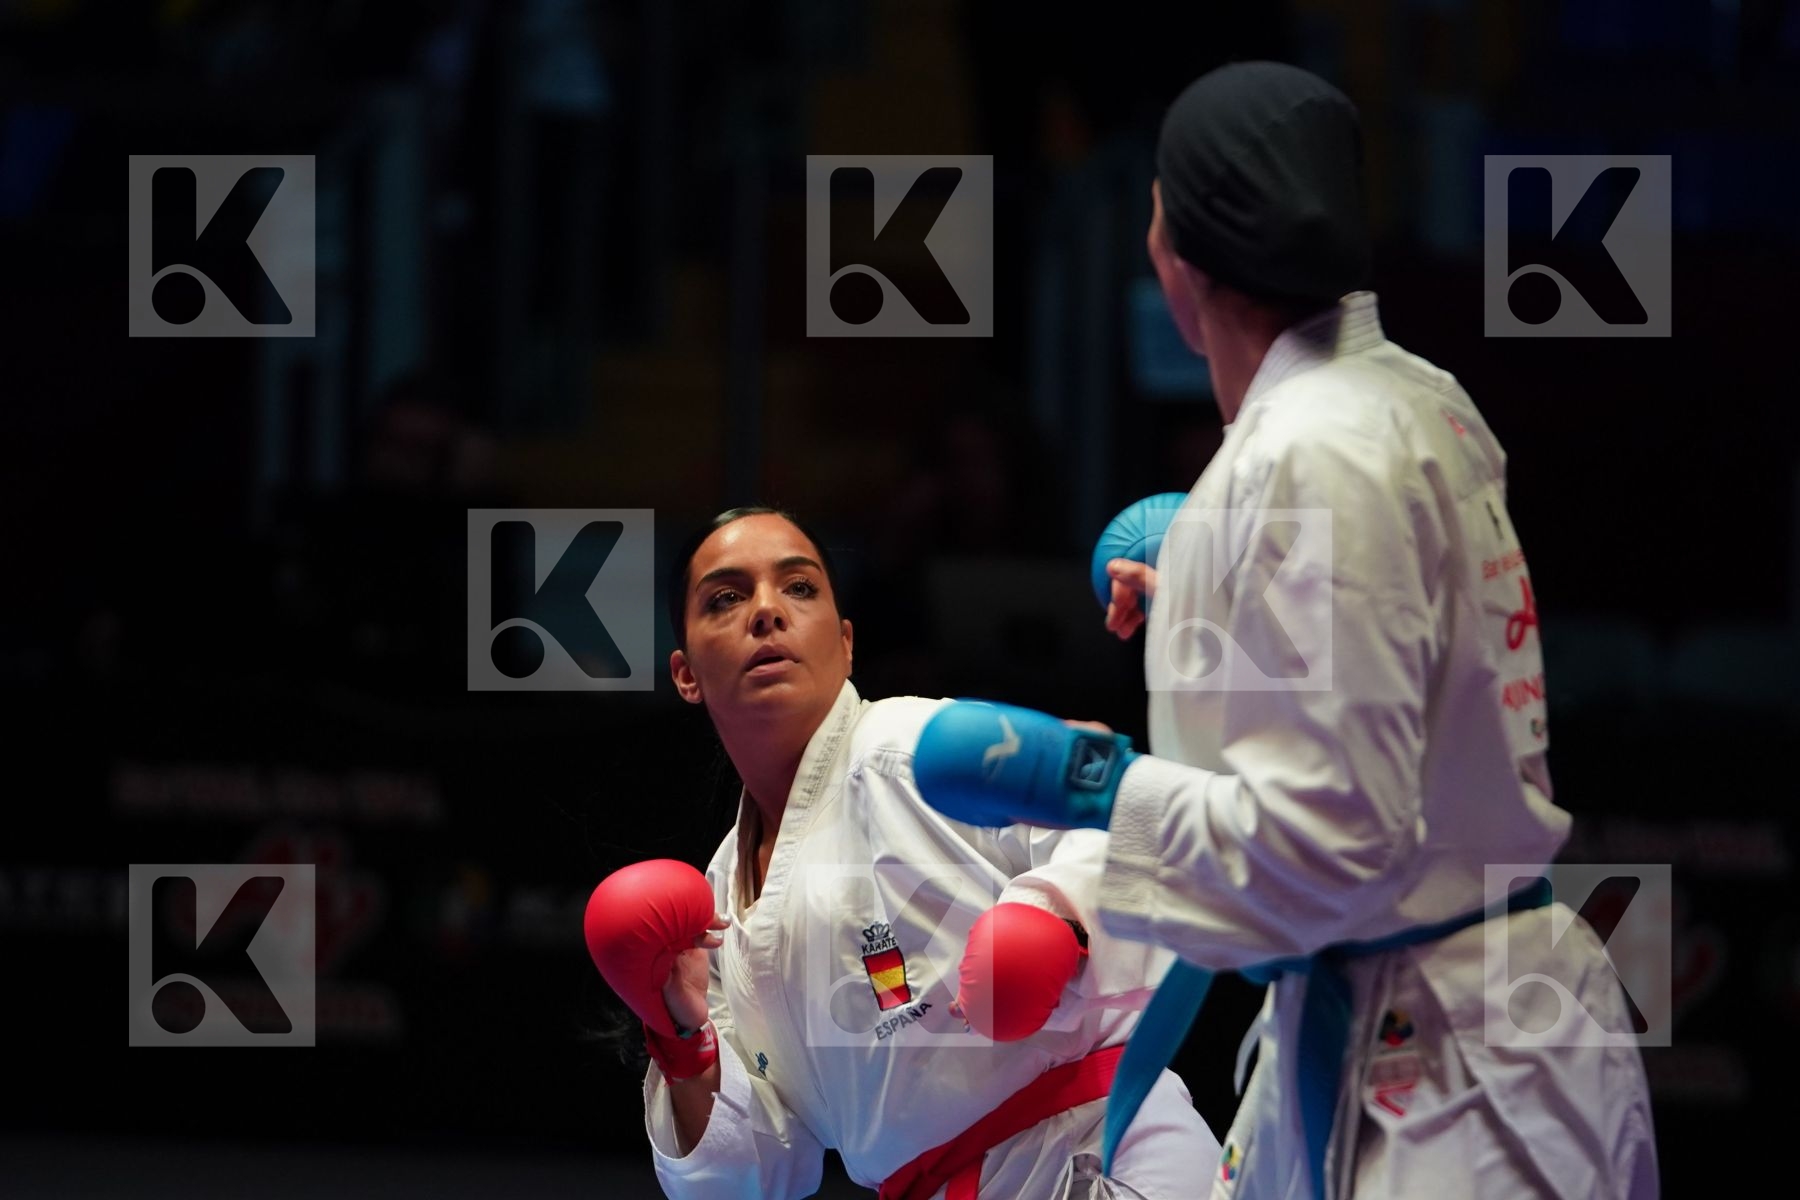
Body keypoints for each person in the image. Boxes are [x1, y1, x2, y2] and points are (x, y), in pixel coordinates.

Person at [908, 62, 1659, 1200]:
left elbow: (1329, 846)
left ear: (1178, 259)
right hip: (1426, 1009)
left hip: (1446, 1063)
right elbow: (1403, 660)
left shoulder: (1307, 452)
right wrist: (1225, 604)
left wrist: (1090, 782)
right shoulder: (1413, 396)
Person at [583, 506, 1220, 1200]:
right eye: (726, 598)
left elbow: (1128, 805)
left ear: (847, 642)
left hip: (1103, 1156)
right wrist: (681, 1039)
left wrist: (1058, 919)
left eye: (799, 588)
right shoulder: (719, 900)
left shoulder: (922, 748)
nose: (766, 612)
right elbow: (750, 1179)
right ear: (685, 674)